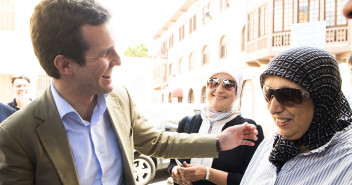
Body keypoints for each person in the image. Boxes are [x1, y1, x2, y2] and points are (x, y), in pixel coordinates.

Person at [0, 1, 259, 185]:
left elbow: (157, 141)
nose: (119, 60)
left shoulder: (119, 98)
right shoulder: (16, 135)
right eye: (104, 53)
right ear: (64, 64)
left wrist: (218, 143)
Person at [240, 47, 352, 184]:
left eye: (288, 96)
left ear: (322, 100)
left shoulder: (346, 162)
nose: (273, 108)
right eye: (268, 93)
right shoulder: (272, 144)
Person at [168, 66, 264, 185]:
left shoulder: (248, 130)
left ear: (237, 91)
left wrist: (208, 174)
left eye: (228, 84)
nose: (219, 90)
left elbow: (252, 180)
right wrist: (175, 171)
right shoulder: (187, 123)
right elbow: (172, 162)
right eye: (213, 83)